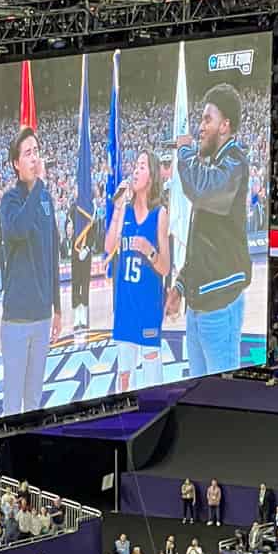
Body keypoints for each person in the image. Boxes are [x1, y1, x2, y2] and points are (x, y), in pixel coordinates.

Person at [174, 80, 252, 376]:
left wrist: (184, 153)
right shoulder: (215, 165)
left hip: (219, 306)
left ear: (225, 126)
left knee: (219, 395)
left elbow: (202, 190)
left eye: (207, 119)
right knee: (200, 393)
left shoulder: (234, 163)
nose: (200, 127)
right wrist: (181, 284)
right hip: (199, 305)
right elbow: (203, 240)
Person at [0, 124, 61, 416]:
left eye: (36, 151)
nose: (34, 158)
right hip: (17, 319)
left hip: (42, 317)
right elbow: (20, 229)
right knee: (13, 403)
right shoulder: (10, 201)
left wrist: (57, 309)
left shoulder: (46, 198)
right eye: (27, 153)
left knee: (34, 401)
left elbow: (52, 253)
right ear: (16, 163)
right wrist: (38, 187)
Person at [102, 148, 171, 392]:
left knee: (152, 379)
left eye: (142, 166)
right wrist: (119, 206)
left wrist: (150, 251)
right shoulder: (126, 210)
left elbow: (165, 268)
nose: (135, 170)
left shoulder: (160, 213)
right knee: (124, 378)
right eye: (136, 166)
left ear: (151, 176)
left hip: (149, 307)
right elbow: (108, 246)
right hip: (125, 306)